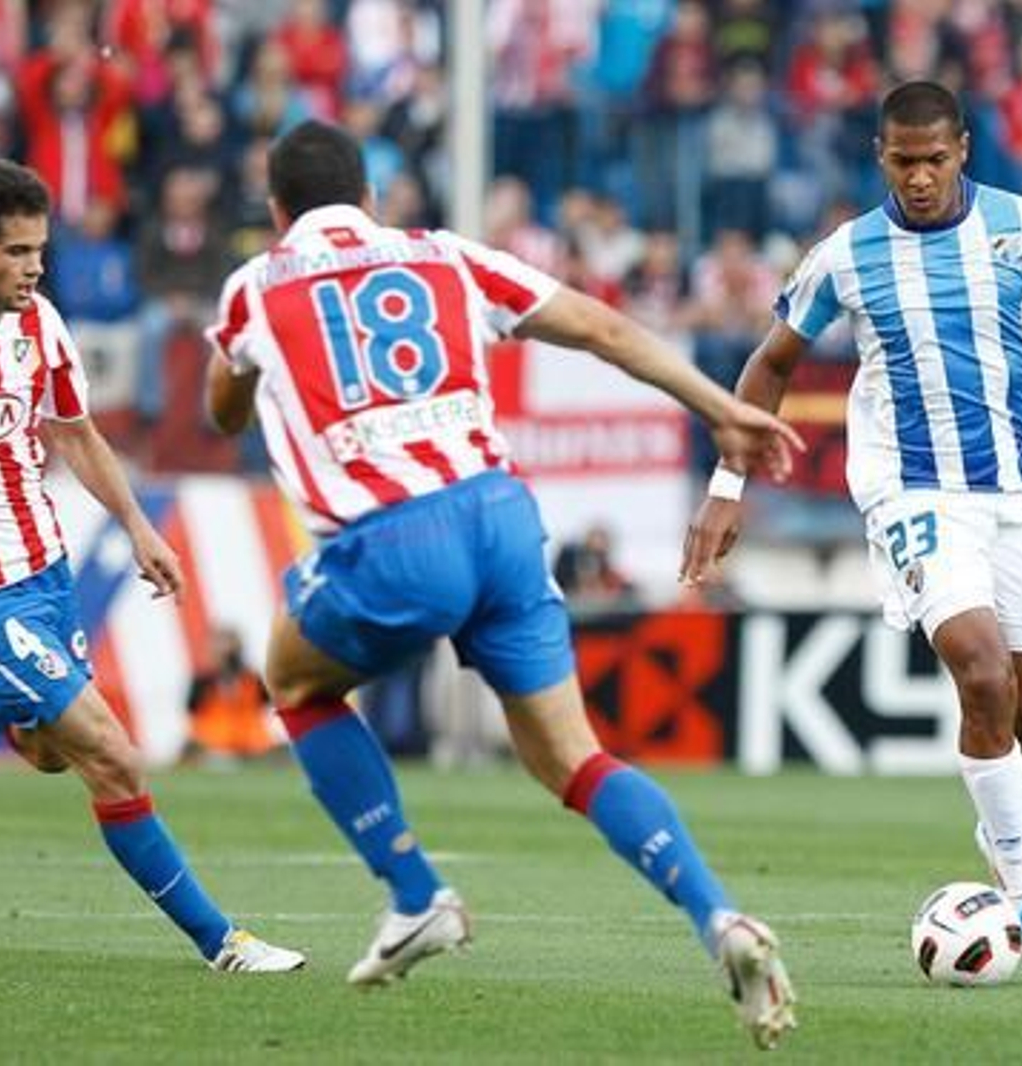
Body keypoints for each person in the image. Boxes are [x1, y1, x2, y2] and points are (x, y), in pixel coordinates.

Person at [203, 120, 800, 1049]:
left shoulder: (256, 285)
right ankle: (719, 916)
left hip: (390, 538)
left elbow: (219, 407)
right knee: (573, 756)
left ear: (276, 210)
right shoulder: (444, 255)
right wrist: (721, 408)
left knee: (295, 680)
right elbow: (599, 327)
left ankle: (412, 895)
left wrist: (241, 381)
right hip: (502, 519)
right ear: (368, 195)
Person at [682, 81, 1022, 981]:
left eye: (935, 159)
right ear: (880, 158)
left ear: (964, 149)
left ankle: (1005, 838)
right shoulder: (846, 256)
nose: (922, 177)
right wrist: (727, 483)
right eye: (904, 162)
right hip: (914, 492)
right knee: (983, 671)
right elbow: (769, 362)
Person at [0, 160, 303, 974]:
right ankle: (224, 941)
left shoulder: (39, 322)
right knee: (112, 755)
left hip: (45, 572)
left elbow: (73, 431)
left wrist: (139, 526)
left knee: (47, 755)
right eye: (17, 252)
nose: (35, 267)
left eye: (40, 249)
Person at [182, 625, 277, 765]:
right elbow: (191, 708)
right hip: (213, 739)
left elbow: (266, 702)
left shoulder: (250, 677)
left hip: (252, 739)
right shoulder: (202, 680)